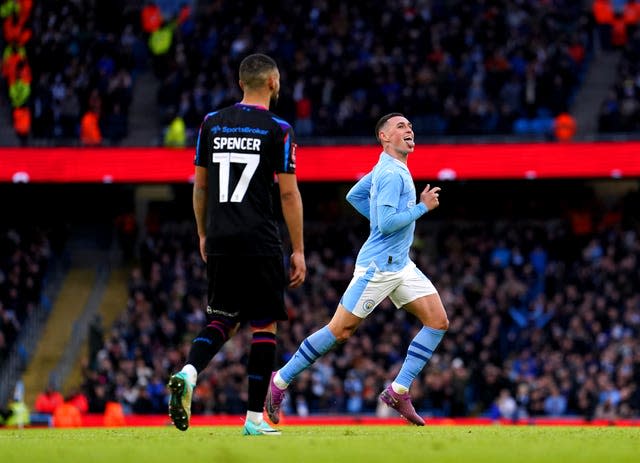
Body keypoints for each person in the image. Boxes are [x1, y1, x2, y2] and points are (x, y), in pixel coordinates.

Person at [266, 113, 448, 426]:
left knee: (437, 321)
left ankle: (398, 390)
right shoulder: (392, 174)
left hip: (400, 264)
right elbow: (388, 223)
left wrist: (379, 222)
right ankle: (280, 381)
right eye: (400, 126)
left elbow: (354, 196)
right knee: (340, 331)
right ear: (384, 137)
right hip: (377, 268)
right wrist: (422, 208)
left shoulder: (386, 167)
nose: (409, 129)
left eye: (410, 125)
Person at [167, 53, 306, 436]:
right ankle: (254, 420)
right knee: (264, 325)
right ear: (274, 83)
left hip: (221, 237)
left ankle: (188, 371)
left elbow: (200, 185)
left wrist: (202, 233)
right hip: (259, 238)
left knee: (222, 318)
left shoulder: (211, 123)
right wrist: (298, 249)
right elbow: (290, 196)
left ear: (240, 82)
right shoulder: (279, 128)